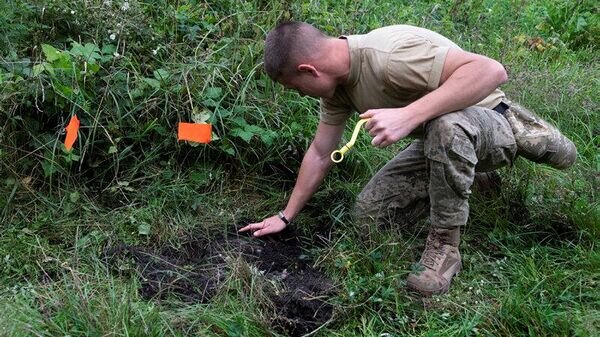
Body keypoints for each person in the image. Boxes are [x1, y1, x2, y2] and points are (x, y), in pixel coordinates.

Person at [239, 22, 576, 296]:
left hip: (489, 120)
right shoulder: (337, 88)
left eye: (297, 87)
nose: (301, 94)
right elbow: (320, 152)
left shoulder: (389, 55)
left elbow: (491, 70)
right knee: (370, 216)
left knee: (448, 126)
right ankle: (473, 176)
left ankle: (445, 249)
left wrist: (410, 115)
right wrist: (285, 215)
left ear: (309, 70)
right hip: (441, 139)